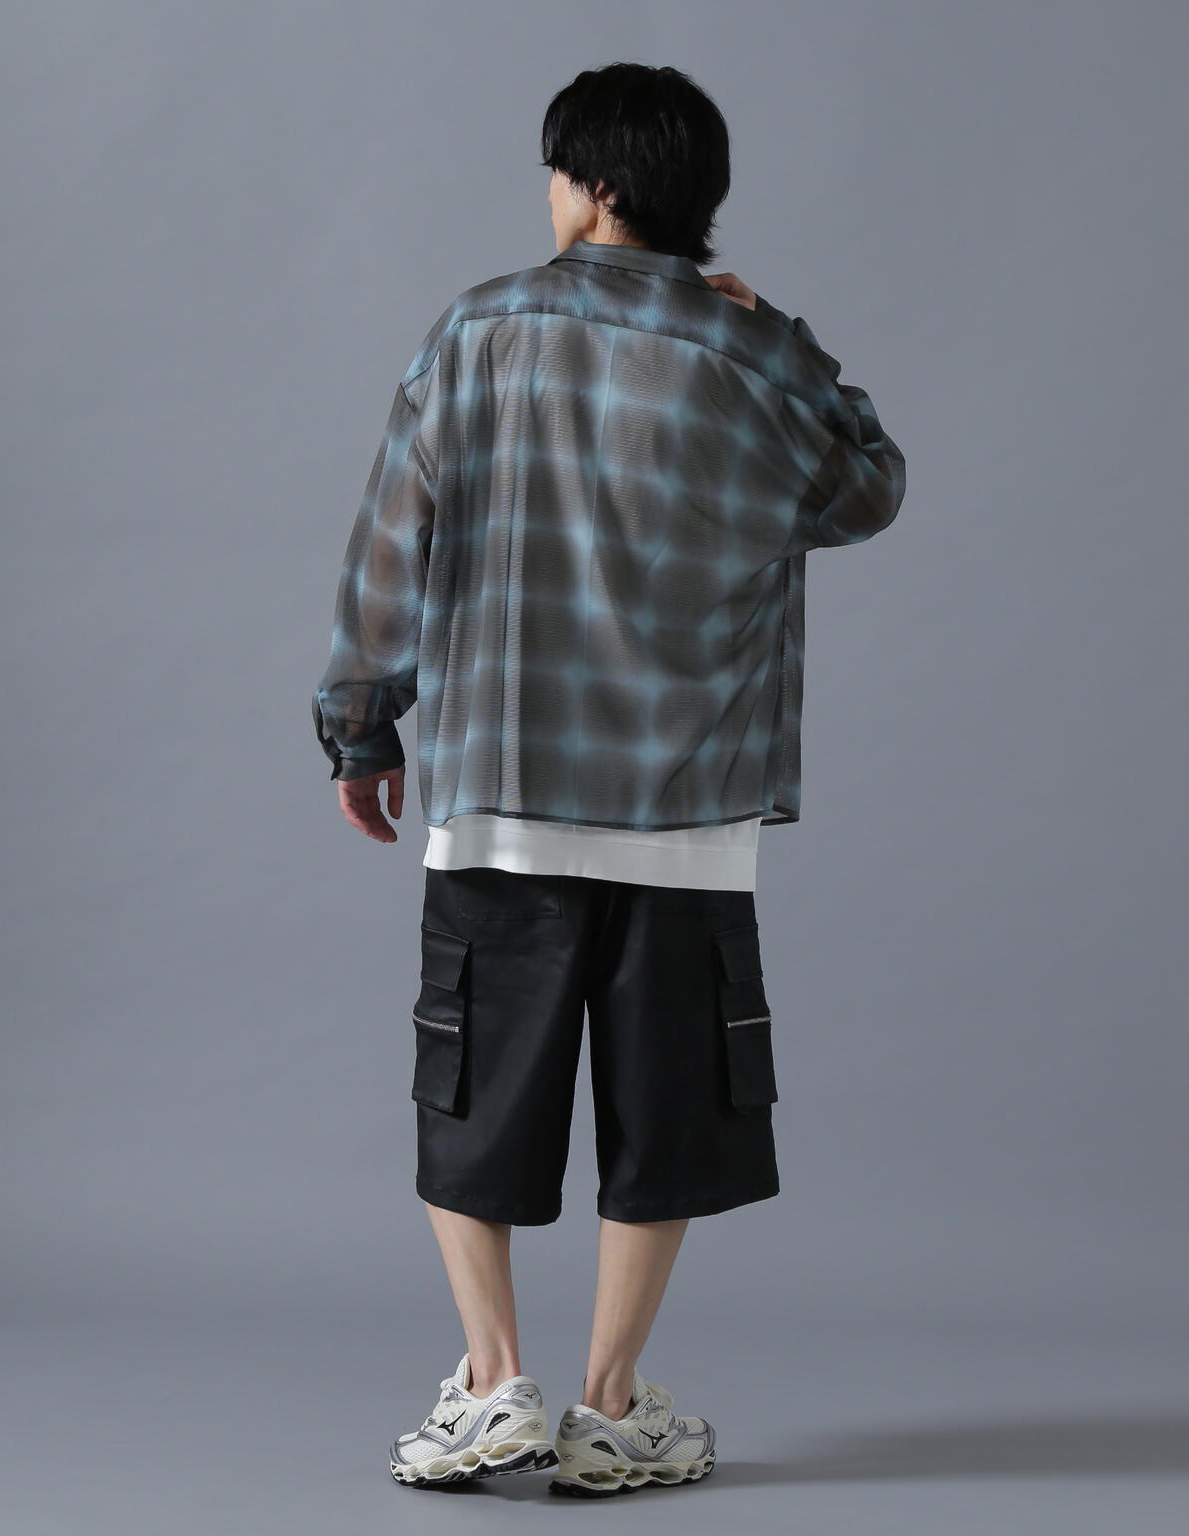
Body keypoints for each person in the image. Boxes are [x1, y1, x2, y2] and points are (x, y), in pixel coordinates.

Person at [311, 61, 906, 1497]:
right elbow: (870, 486)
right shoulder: (748, 355)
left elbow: (395, 535)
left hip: (504, 791)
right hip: (688, 814)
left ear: (596, 188)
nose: (550, 195)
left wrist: (363, 724)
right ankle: (610, 1405)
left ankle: (492, 1384)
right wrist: (783, 337)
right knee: (666, 1112)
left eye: (556, 173)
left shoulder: (479, 329)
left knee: (472, 1097)